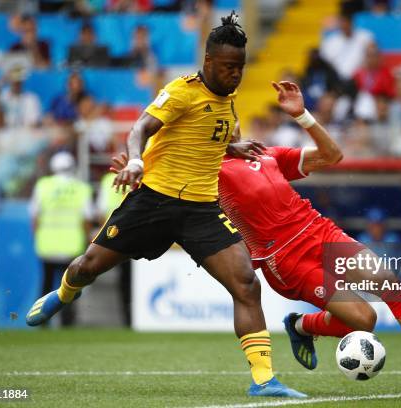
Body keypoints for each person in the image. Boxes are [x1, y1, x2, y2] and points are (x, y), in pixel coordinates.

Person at [112, 81, 401, 386]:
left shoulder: (267, 153)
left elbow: (332, 156)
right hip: (285, 259)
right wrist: (135, 169)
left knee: (390, 281)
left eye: (233, 119)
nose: (230, 125)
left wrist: (302, 115)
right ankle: (301, 325)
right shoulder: (206, 171)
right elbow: (165, 183)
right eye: (224, 121)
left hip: (320, 232)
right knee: (365, 320)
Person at [25, 12, 305, 399]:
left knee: (246, 283)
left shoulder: (228, 99)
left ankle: (264, 380)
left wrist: (232, 147)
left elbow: (205, 135)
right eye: (227, 68)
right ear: (208, 63)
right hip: (154, 200)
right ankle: (64, 294)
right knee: (86, 267)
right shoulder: (181, 91)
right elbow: (140, 127)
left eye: (239, 68)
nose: (235, 75)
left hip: (202, 209)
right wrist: (136, 159)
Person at [29, 152, 93, 327]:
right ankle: (67, 323)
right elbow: (86, 219)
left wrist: (37, 238)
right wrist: (88, 243)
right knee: (69, 287)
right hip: (72, 246)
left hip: (47, 245)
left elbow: (34, 216)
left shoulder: (43, 186)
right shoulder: (81, 188)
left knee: (46, 285)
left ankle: (42, 323)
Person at [96, 171, 131, 326]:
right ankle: (129, 319)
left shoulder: (108, 180)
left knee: (125, 281)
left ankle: (128, 318)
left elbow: (100, 212)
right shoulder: (147, 172)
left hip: (115, 239)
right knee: (127, 281)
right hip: (136, 237)